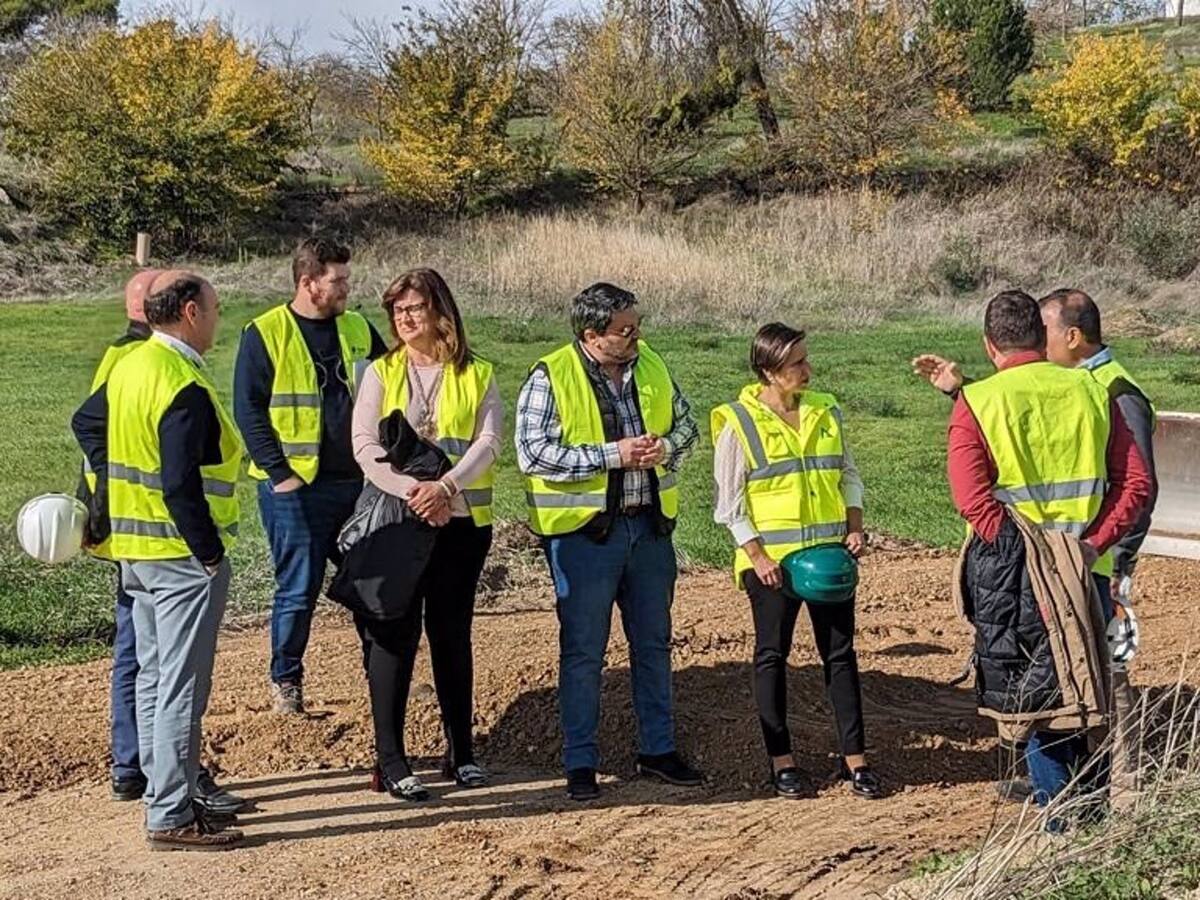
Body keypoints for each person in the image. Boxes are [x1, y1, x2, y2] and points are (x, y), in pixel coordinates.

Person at [942, 290, 1151, 818]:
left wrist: (1017, 552)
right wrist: (1088, 545)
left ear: (991, 346)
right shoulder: (1091, 390)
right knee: (1090, 700)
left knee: (1035, 700)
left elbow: (972, 498)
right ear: (1040, 337)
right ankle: (1092, 820)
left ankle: (1060, 827)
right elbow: (1136, 483)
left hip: (1020, 581)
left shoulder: (979, 402)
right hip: (1087, 571)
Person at [72, 273, 246, 850]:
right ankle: (171, 811)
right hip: (178, 556)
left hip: (135, 551)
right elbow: (178, 483)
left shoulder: (130, 364)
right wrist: (210, 552)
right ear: (191, 312)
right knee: (179, 683)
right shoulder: (179, 381)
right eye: (216, 308)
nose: (219, 318)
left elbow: (86, 421)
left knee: (152, 676)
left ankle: (162, 793)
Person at [515, 282, 703, 801]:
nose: (636, 335)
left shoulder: (653, 366)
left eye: (637, 325)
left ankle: (658, 751)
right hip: (584, 538)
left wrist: (664, 447)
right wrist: (611, 455)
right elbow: (534, 454)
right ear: (591, 335)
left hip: (648, 530)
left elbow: (690, 427)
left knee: (654, 644)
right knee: (582, 653)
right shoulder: (550, 375)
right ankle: (580, 763)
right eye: (625, 330)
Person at [711, 323, 881, 800]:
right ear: (768, 372)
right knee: (772, 656)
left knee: (841, 656)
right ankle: (782, 762)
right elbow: (729, 504)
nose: (807, 370)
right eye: (796, 364)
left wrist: (853, 524)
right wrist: (757, 555)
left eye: (806, 359)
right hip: (773, 566)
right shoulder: (738, 423)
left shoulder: (826, 410)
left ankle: (857, 761)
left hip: (829, 560)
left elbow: (847, 473)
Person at [349, 268, 501, 801]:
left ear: (441, 310)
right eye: (397, 311)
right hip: (400, 524)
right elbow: (364, 444)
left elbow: (488, 442)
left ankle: (462, 752)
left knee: (451, 634)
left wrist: (446, 486)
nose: (405, 318)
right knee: (393, 636)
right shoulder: (381, 371)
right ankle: (391, 759)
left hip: (461, 524)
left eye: (414, 308)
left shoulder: (478, 372)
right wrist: (414, 489)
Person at [234, 237, 388, 713]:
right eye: (337, 280)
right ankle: (286, 683)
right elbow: (249, 409)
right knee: (298, 588)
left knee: (374, 585)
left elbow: (391, 386)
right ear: (308, 283)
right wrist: (280, 474)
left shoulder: (359, 328)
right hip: (294, 489)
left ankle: (382, 676)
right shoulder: (266, 332)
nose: (346, 288)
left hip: (358, 485)